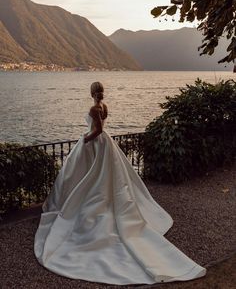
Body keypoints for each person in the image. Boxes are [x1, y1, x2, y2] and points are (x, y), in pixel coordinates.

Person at [34, 81, 206, 285]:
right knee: (104, 176)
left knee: (87, 176)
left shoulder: (93, 108)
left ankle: (85, 203)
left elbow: (97, 130)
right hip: (105, 144)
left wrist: (85, 140)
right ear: (101, 93)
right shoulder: (104, 107)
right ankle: (103, 199)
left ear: (91, 93)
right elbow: (102, 127)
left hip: (95, 144)